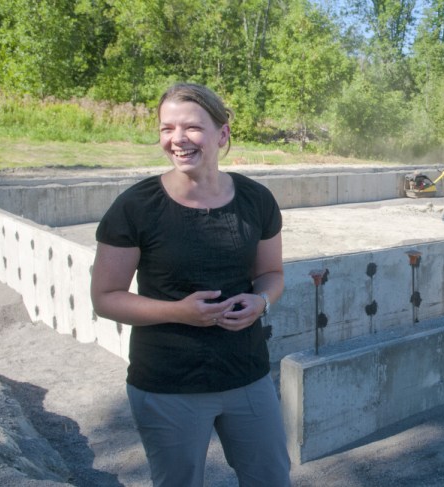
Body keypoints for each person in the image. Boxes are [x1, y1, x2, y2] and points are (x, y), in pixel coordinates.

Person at [90, 83, 291, 487]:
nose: (177, 140)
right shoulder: (135, 207)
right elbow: (105, 298)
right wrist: (177, 312)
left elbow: (272, 274)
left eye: (192, 128)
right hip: (168, 384)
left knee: (271, 478)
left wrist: (262, 301)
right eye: (167, 129)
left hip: (247, 375)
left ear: (223, 134)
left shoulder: (257, 200)